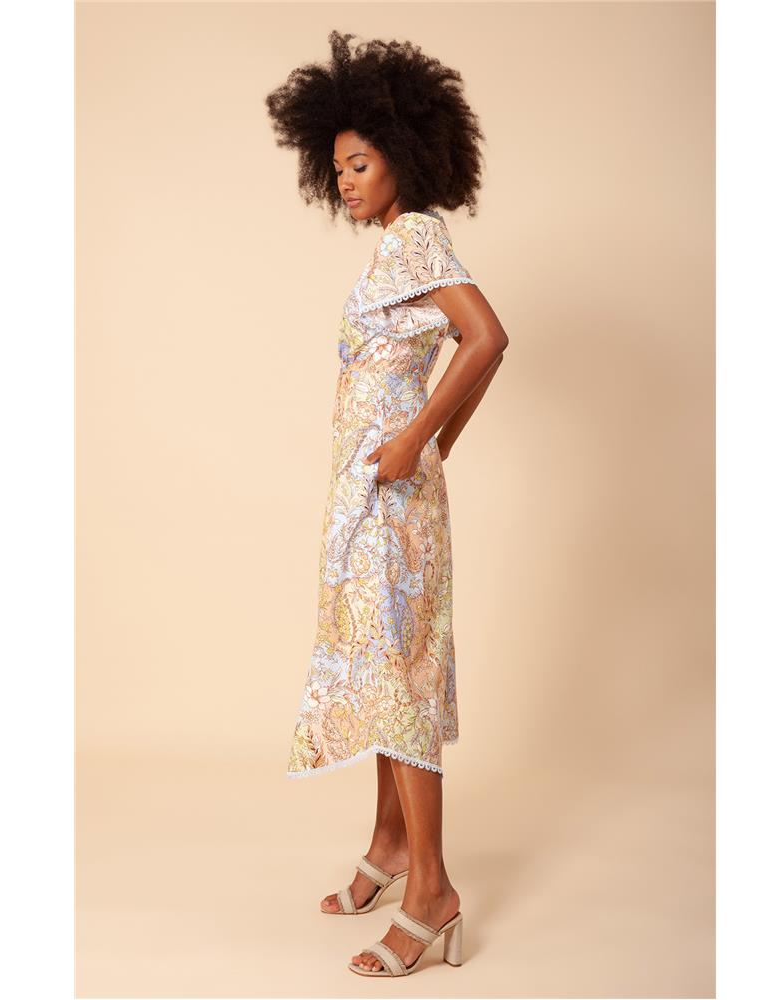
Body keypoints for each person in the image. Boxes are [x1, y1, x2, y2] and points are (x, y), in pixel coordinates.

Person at [265, 30, 509, 978]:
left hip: (391, 504)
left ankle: (432, 894)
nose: (347, 183)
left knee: (398, 684)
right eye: (338, 168)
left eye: (360, 164)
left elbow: (486, 338)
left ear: (404, 156)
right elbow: (470, 356)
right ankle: (391, 843)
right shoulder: (396, 251)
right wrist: (434, 443)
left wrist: (417, 441)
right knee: (380, 670)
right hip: (376, 499)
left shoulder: (416, 239)